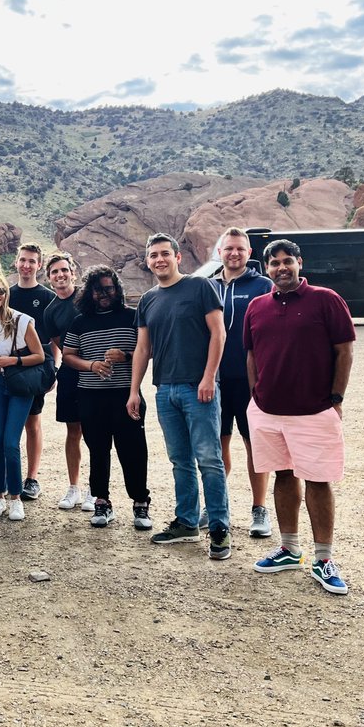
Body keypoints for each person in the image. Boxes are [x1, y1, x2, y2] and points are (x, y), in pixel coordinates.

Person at [246, 239, 355, 595]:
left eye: (287, 261)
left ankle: (323, 558)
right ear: (266, 269)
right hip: (268, 411)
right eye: (274, 262)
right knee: (283, 475)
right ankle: (290, 549)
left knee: (319, 480)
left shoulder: (326, 299)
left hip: (314, 411)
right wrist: (256, 395)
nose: (281, 267)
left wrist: (335, 398)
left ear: (299, 263)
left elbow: (344, 352)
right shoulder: (257, 306)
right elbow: (252, 355)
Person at [127, 233, 231, 560]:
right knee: (180, 460)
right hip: (165, 390)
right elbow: (143, 348)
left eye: (164, 254)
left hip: (197, 387)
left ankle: (219, 528)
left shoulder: (200, 287)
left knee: (209, 459)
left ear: (177, 257)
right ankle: (187, 521)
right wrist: (134, 390)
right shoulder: (148, 300)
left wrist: (209, 377)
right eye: (153, 255)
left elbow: (219, 332)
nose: (159, 260)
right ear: (147, 262)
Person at [61, 265, 151, 530]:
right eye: (97, 289)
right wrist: (91, 365)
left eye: (108, 288)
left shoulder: (133, 317)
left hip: (126, 395)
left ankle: (140, 503)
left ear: (117, 289)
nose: (103, 294)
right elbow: (67, 355)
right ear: (89, 292)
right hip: (90, 396)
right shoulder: (80, 321)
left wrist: (126, 355)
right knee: (98, 450)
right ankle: (101, 501)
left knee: (133, 451)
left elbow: (149, 350)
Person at [210, 227, 274, 537]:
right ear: (219, 252)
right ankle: (216, 506)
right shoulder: (207, 286)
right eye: (228, 248)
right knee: (217, 445)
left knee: (255, 446)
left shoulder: (263, 285)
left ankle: (259, 509)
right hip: (215, 380)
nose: (234, 253)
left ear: (249, 253)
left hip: (251, 381)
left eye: (240, 249)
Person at [0, 271, 45, 522]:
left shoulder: (21, 320)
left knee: (10, 442)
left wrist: (11, 360)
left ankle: (15, 498)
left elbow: (39, 355)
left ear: (7, 293)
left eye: (0, 291)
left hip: (19, 383)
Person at [44, 252, 91, 512]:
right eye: (55, 272)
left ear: (73, 272)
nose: (60, 275)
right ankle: (74, 488)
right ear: (49, 278)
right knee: (73, 431)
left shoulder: (88, 297)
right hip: (71, 372)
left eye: (64, 270)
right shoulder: (51, 311)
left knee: (95, 430)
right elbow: (59, 346)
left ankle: (96, 489)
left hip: (96, 371)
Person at [10, 243, 56, 501]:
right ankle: (10, 477)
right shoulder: (5, 294)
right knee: (9, 424)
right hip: (8, 365)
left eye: (32, 261)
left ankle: (32, 478)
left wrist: (53, 371)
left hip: (37, 366)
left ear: (39, 265)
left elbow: (54, 338)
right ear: (16, 262)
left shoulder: (47, 297)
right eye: (23, 260)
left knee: (33, 422)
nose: (27, 265)